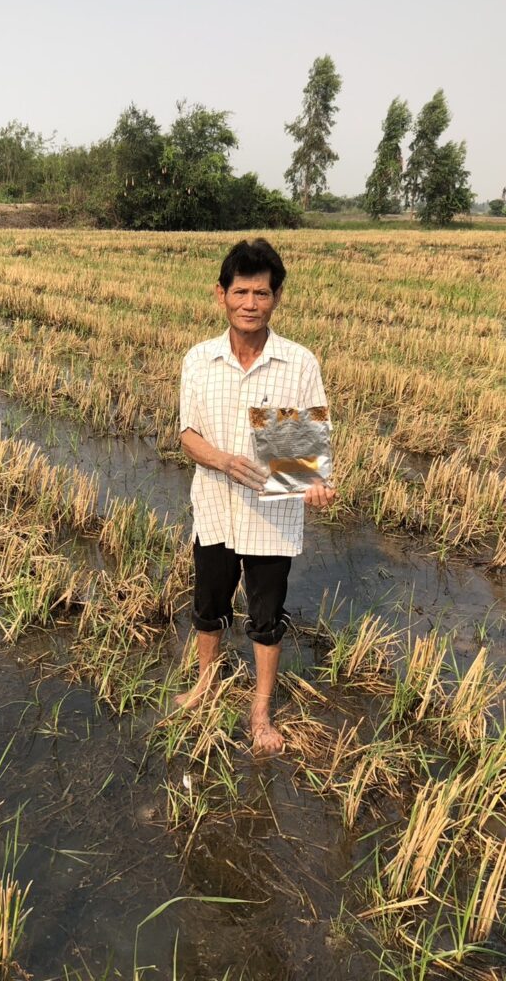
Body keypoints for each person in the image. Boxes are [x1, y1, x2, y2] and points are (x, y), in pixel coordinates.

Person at [177, 238, 336, 754]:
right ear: (220, 294)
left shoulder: (298, 363)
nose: (250, 303)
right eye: (241, 292)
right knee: (209, 606)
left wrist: (314, 484)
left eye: (261, 293)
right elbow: (188, 435)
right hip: (215, 510)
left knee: (266, 618)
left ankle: (260, 710)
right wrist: (222, 460)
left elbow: (302, 452)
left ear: (276, 298)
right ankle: (204, 685)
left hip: (271, 518)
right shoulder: (199, 360)